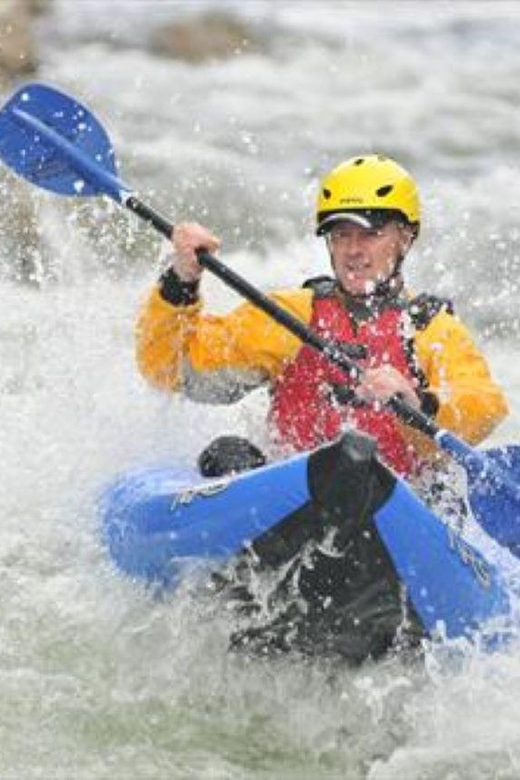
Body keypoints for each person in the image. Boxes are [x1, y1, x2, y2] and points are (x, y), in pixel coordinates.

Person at [135, 154, 508, 478]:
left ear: (406, 238)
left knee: (385, 473)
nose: (353, 250)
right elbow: (172, 371)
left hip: (396, 507)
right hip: (295, 500)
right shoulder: (290, 315)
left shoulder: (430, 329)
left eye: (371, 233)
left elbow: (484, 406)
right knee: (227, 456)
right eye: (342, 235)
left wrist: (418, 403)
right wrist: (180, 281)